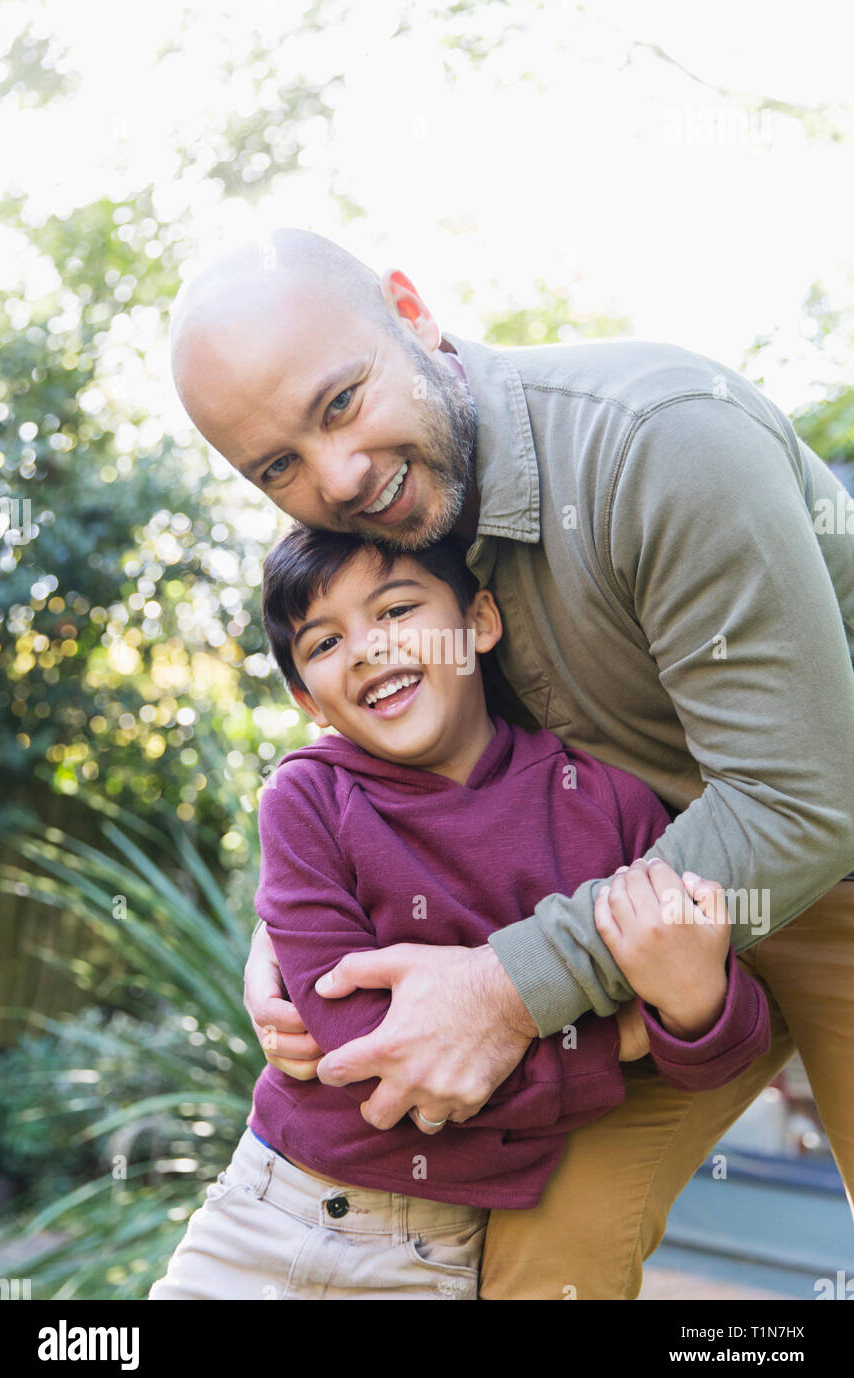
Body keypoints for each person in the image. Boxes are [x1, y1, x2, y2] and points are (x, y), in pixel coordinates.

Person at [170, 228, 854, 1298]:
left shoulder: (660, 442)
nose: (338, 476)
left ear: (412, 310)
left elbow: (801, 802)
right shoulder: (408, 521)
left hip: (822, 863)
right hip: (632, 911)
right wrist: (300, 918)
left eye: (340, 401)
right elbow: (402, 740)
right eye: (278, 467)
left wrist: (503, 987)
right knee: (542, 1264)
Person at [149, 525, 770, 1300]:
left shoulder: (608, 805)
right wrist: (620, 1043)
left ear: (479, 622)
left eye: (397, 610)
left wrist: (689, 1000)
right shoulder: (306, 800)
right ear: (308, 699)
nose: (369, 649)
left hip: (440, 1253)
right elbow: (371, 1056)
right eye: (325, 642)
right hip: (269, 1209)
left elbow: (728, 1044)